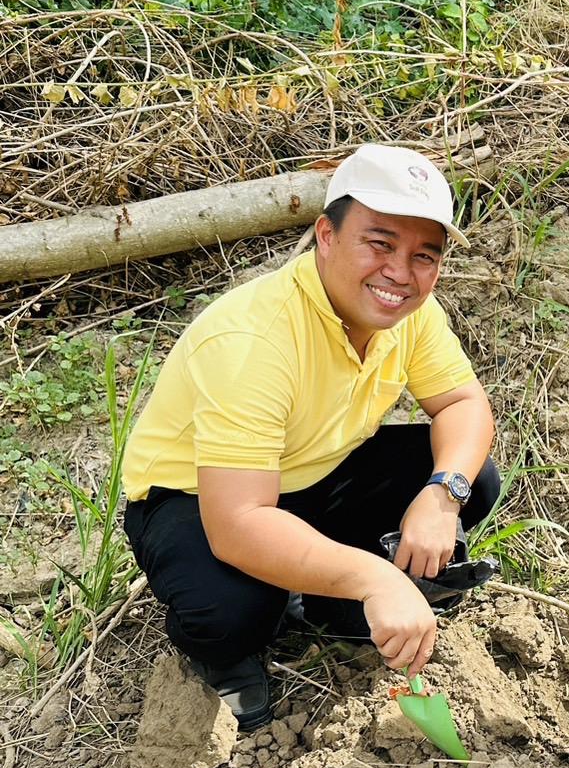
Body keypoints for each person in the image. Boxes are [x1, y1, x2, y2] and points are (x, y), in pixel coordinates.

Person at [122, 144, 499, 731]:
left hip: (316, 475)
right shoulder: (254, 340)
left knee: (471, 477)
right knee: (232, 612)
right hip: (200, 502)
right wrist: (378, 578)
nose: (400, 272)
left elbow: (462, 403)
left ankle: (328, 602)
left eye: (424, 255)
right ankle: (243, 638)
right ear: (326, 234)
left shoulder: (410, 313)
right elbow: (240, 523)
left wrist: (442, 494)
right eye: (379, 243)